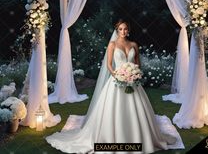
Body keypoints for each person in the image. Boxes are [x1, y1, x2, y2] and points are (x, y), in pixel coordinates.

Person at [46, 19, 184, 153]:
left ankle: (138, 138)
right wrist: (118, 76)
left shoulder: (134, 45)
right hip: (116, 82)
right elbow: (109, 65)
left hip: (133, 83)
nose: (123, 31)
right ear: (117, 30)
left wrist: (134, 74)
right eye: (120, 29)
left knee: (137, 111)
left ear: (128, 31)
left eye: (125, 29)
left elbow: (137, 64)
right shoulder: (112, 45)